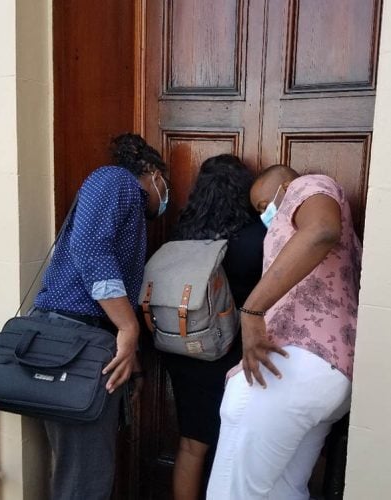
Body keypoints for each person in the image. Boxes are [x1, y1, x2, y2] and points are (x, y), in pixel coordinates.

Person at [207, 165, 362, 500]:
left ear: (286, 186)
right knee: (285, 491)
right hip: (328, 371)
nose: (266, 215)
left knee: (232, 493)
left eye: (264, 205)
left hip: (285, 365)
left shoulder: (310, 185)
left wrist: (251, 311)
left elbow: (321, 230)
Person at [30, 133, 168, 500]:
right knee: (83, 476)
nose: (165, 196)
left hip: (85, 340)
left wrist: (131, 354)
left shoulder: (129, 205)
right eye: (165, 185)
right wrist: (128, 327)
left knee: (86, 468)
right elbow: (91, 250)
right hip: (73, 340)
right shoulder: (114, 179)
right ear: (152, 172)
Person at [161, 155, 267, 500]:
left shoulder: (183, 233)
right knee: (236, 445)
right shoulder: (257, 237)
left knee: (192, 444)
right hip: (231, 352)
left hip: (182, 347)